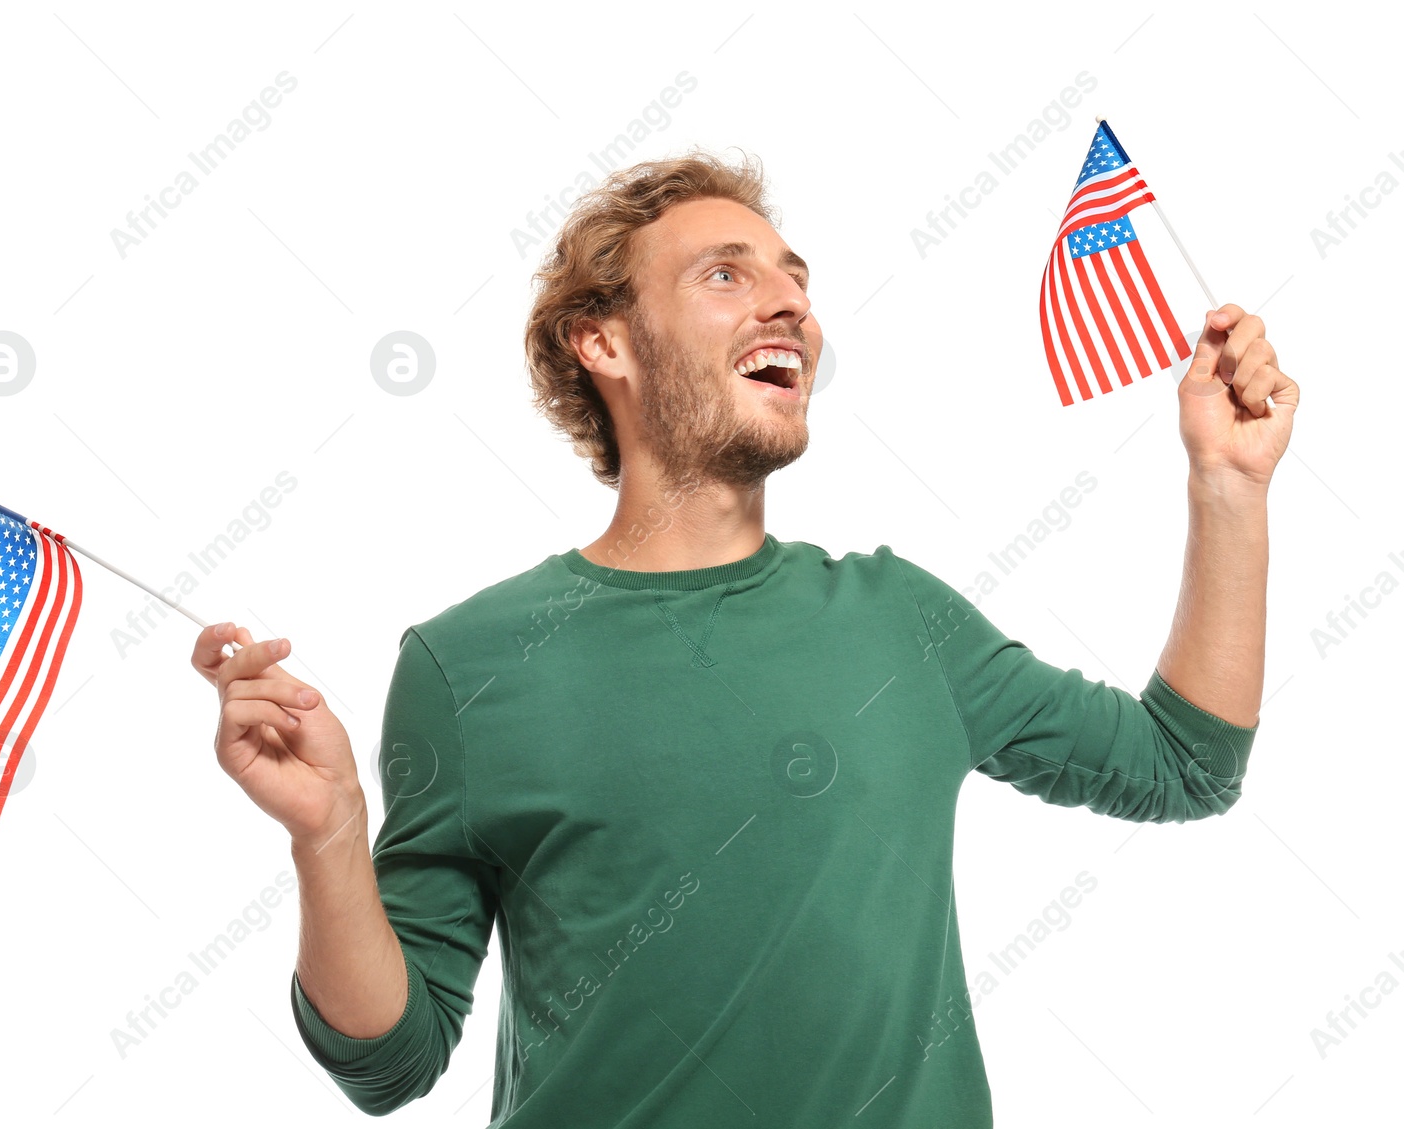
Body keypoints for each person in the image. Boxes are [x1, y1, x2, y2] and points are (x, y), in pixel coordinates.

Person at [190, 149, 1298, 1127]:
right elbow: (389, 1063)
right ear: (603, 341)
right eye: (727, 274)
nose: (789, 307)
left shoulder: (899, 619)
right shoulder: (465, 665)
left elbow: (1183, 764)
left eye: (795, 280)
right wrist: (330, 835)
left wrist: (1228, 486)